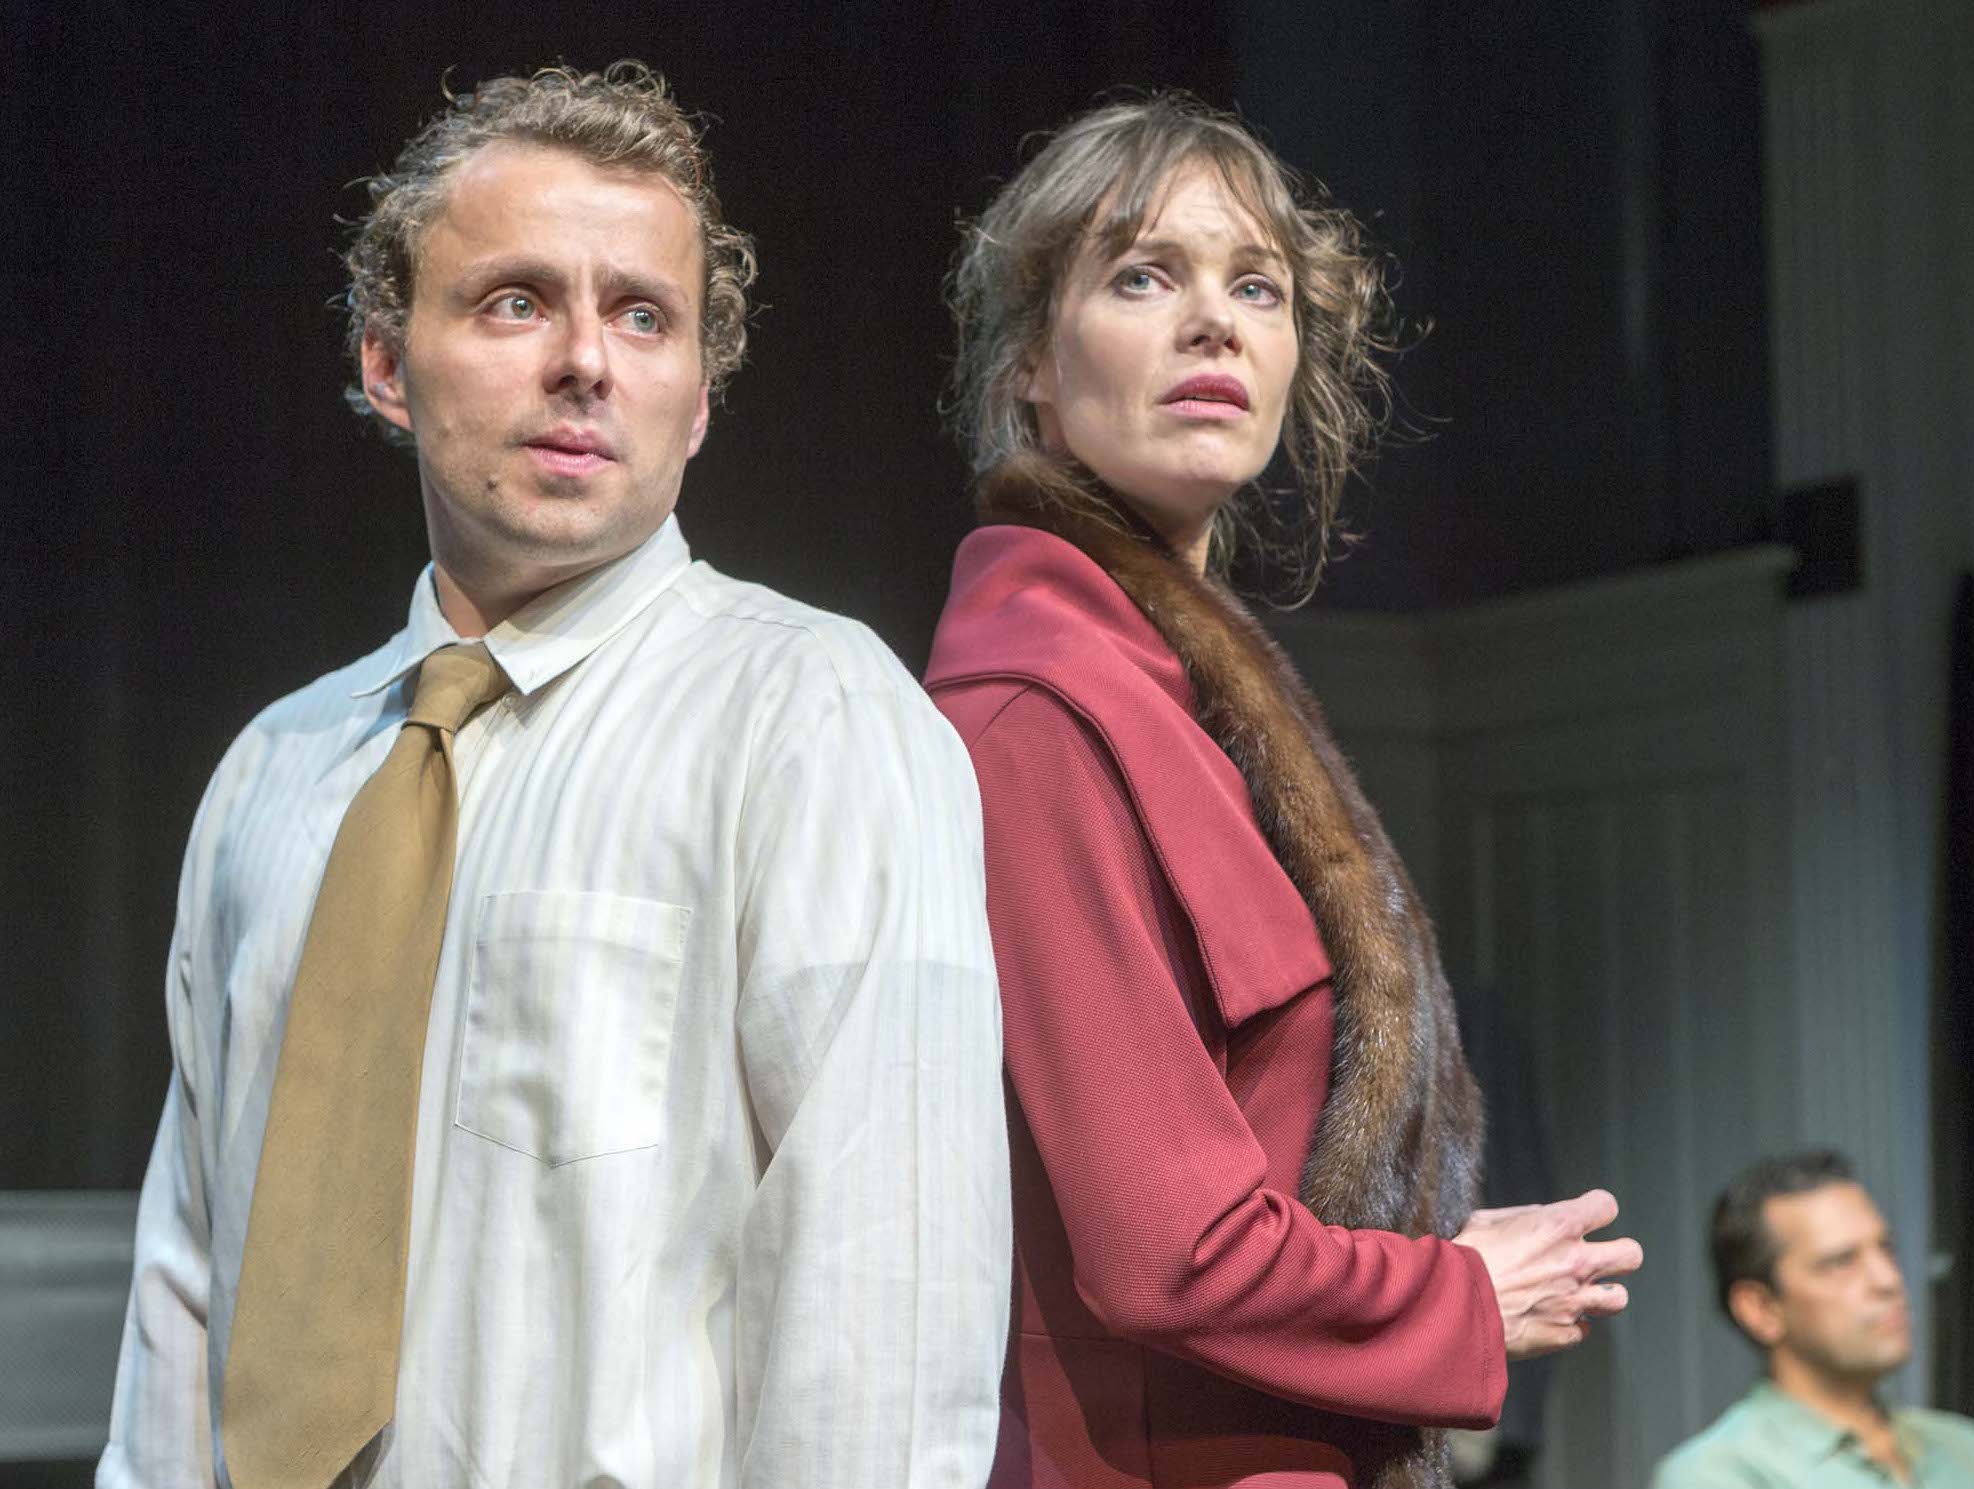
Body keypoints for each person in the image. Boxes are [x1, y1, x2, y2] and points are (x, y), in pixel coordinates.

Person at [97, 62, 1008, 1489]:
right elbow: (187, 1275)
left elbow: (884, 1318)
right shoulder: (277, 768)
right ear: (385, 363)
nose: (587, 359)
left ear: (697, 402)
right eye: (516, 301)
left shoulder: (816, 719)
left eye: (643, 316)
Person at [924, 95, 1644, 1489]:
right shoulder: (1036, 710)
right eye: (1144, 277)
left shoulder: (1171, 690)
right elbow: (1165, 1250)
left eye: (1255, 286)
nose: (1215, 322)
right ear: (1029, 366)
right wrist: (1456, 1297)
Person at [1651, 1151, 1974, 1488]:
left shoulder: (1969, 1449)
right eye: (1841, 1262)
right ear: (1761, 1309)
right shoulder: (1716, 1474)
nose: (1888, 1280)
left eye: (1886, 1249)